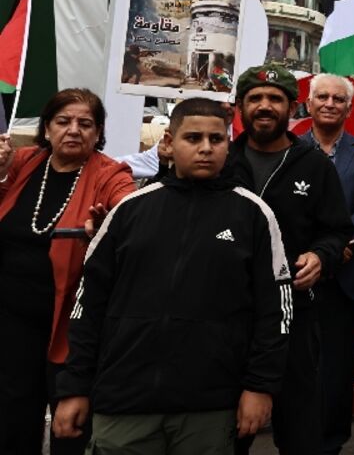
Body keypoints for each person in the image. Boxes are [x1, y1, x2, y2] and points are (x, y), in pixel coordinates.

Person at [51, 98, 290, 454]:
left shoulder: (254, 215)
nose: (206, 148)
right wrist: (74, 387)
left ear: (228, 144)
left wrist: (260, 387)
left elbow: (277, 312)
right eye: (193, 138)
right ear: (168, 142)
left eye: (217, 139)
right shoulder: (129, 211)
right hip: (124, 400)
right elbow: (88, 306)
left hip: (211, 406)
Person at [0, 89, 136, 454]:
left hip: (72, 329)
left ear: (98, 132)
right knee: (11, 425)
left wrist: (111, 227)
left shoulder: (110, 173)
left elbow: (129, 213)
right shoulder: (23, 163)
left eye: (84, 123)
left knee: (70, 431)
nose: (73, 130)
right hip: (12, 324)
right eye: (63, 121)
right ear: (47, 128)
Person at [226, 64, 353, 455]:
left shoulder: (314, 165)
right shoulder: (222, 163)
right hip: (229, 316)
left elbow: (338, 231)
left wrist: (321, 256)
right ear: (240, 107)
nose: (265, 106)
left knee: (300, 432)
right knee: (228, 433)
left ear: (292, 108)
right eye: (255, 99)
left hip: (294, 316)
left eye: (275, 99)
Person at [299, 75, 354, 455]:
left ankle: (332, 442)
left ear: (349, 109)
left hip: (347, 275)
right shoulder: (292, 151)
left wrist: (341, 245)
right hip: (301, 275)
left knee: (337, 367)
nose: (330, 103)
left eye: (338, 98)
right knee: (301, 365)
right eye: (323, 97)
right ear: (309, 103)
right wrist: (314, 252)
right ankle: (297, 436)